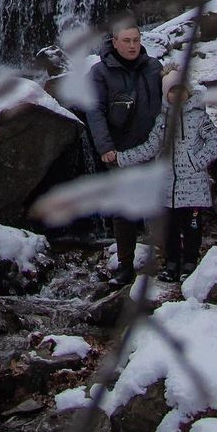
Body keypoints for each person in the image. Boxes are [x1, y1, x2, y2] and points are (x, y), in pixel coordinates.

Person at [118, 68, 217, 281]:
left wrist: (197, 162)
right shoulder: (161, 120)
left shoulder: (199, 117)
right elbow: (150, 147)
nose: (177, 95)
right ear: (166, 95)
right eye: (172, 91)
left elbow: (215, 141)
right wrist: (121, 158)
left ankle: (190, 264)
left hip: (193, 187)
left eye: (180, 89)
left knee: (192, 227)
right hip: (167, 188)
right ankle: (172, 263)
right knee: (170, 229)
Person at [88, 19, 162, 286]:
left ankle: (169, 260)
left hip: (153, 147)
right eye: (126, 41)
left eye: (136, 40)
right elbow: (94, 111)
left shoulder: (154, 68)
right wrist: (106, 147)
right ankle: (126, 265)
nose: (132, 46)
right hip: (120, 151)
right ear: (115, 42)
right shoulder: (99, 73)